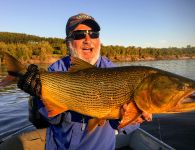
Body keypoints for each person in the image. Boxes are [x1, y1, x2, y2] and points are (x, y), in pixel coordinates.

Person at [0, 13, 152, 150]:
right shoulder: (56, 69)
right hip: (59, 146)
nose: (88, 39)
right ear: (68, 42)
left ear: (99, 40)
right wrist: (37, 94)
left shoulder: (114, 72)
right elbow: (53, 118)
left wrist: (132, 119)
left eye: (94, 34)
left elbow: (121, 127)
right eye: (80, 34)